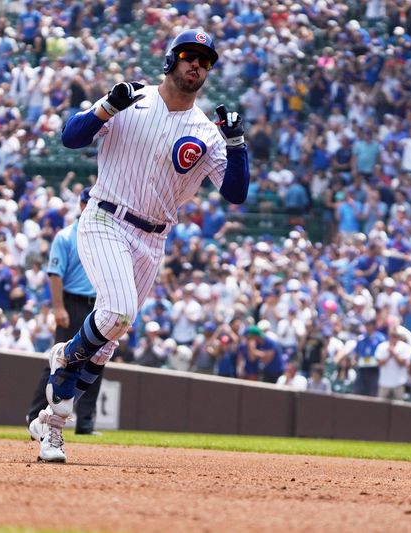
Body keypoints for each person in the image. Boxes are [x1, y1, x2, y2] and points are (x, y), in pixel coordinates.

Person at [28, 29, 250, 462]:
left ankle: (50, 427)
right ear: (171, 60)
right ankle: (65, 355)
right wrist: (106, 106)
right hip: (106, 216)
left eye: (205, 61)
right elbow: (70, 138)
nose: (197, 66)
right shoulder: (130, 99)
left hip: (154, 237)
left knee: (109, 343)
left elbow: (236, 193)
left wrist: (237, 145)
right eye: (189, 56)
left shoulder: (204, 131)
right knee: (117, 312)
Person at [26, 188, 101, 436]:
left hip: (97, 304)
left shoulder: (103, 234)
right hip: (73, 302)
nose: (92, 205)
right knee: (59, 359)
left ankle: (86, 423)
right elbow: (54, 274)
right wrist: (58, 307)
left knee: (96, 361)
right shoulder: (67, 236)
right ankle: (34, 414)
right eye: (88, 201)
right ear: (80, 204)